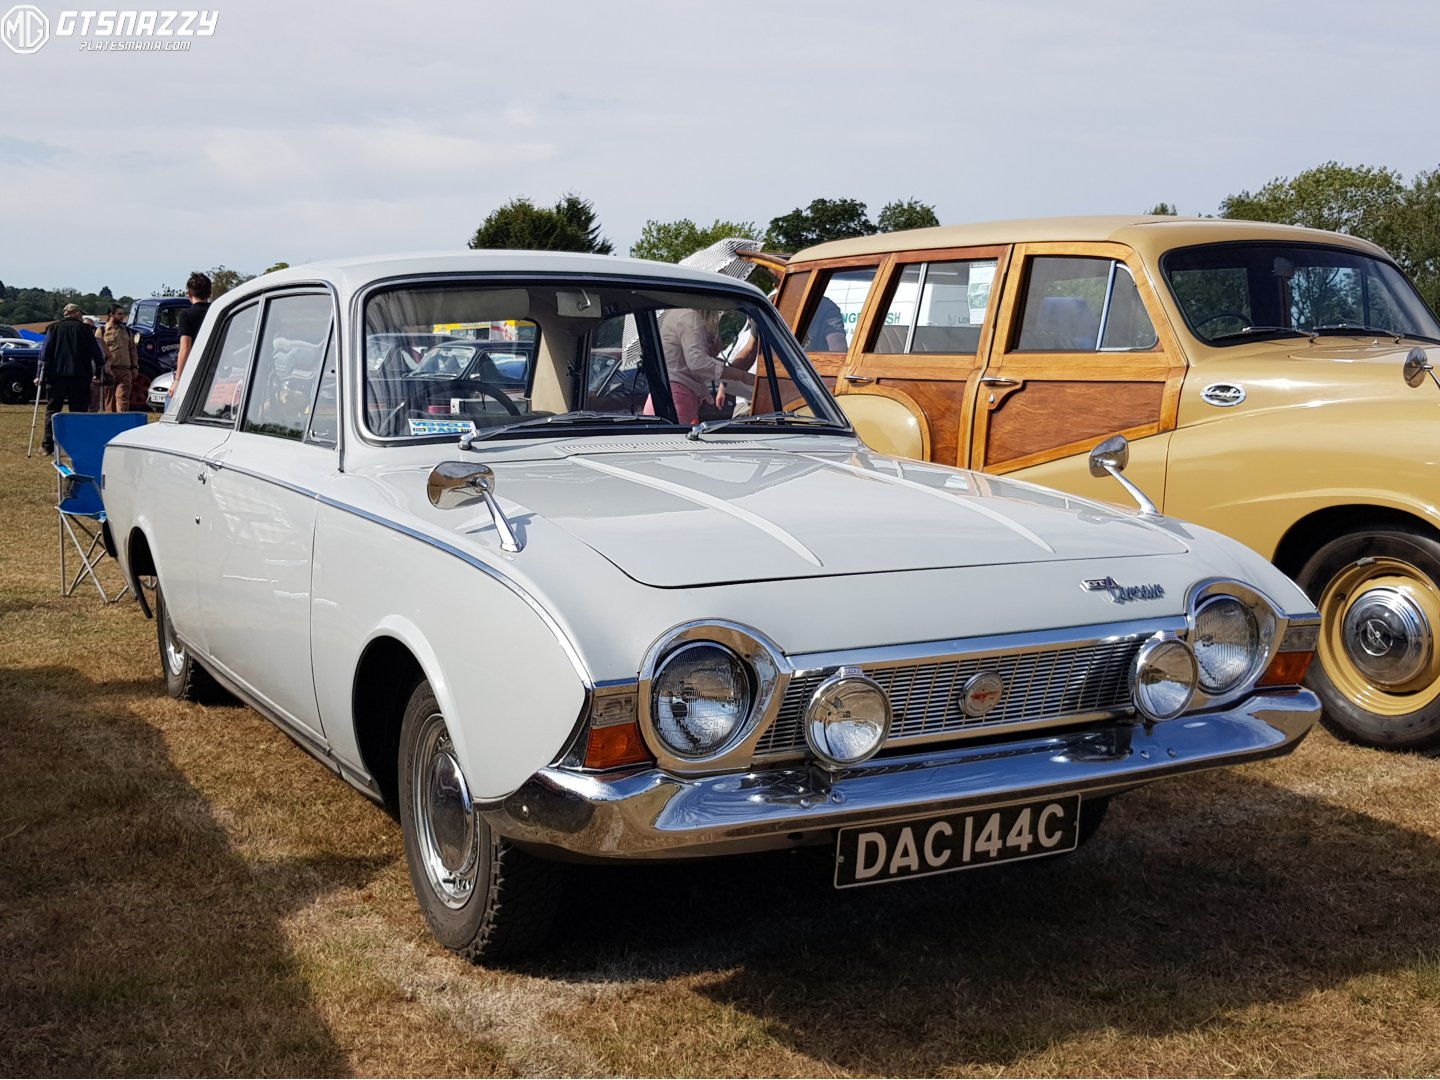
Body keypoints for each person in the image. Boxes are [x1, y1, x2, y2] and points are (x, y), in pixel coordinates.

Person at [655, 308, 755, 425]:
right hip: (678, 397)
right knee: (676, 440)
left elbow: (685, 359)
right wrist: (743, 376)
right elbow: (698, 364)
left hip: (667, 393)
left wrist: (710, 353)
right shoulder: (690, 316)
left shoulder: (678, 314)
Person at [37, 303, 105, 456]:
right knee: (78, 413)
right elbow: (96, 353)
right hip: (80, 376)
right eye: (81, 313)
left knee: (53, 410)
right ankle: (77, 444)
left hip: (57, 376)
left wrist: (39, 374)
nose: (82, 316)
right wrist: (99, 370)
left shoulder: (53, 328)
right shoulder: (85, 330)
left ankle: (47, 445)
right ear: (75, 313)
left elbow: (44, 353)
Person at [171, 271, 213, 394]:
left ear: (189, 293)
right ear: (209, 293)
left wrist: (178, 380)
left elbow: (185, 348)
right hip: (214, 366)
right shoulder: (216, 311)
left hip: (194, 366)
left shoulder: (186, 314)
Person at [97, 304, 138, 411]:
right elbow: (97, 352)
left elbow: (132, 350)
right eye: (119, 314)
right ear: (111, 314)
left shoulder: (127, 331)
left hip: (125, 370)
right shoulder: (101, 331)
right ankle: (110, 423)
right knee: (109, 401)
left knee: (122, 398)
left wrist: (134, 367)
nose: (122, 316)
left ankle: (123, 422)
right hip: (109, 371)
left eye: (123, 314)